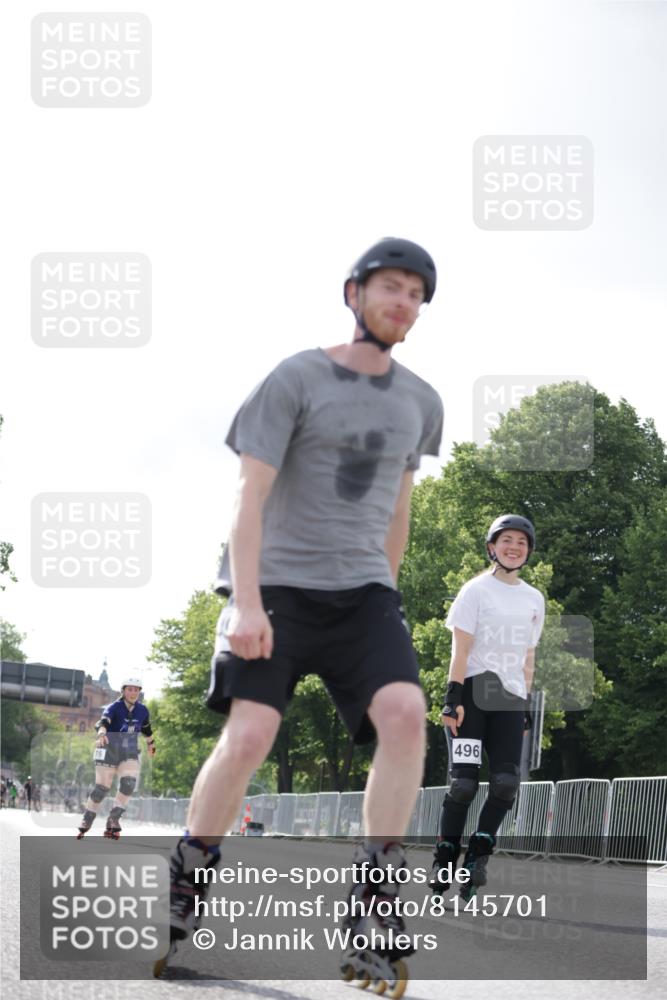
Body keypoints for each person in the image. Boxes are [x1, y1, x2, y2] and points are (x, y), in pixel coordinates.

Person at [161, 238, 443, 983]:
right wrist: (246, 602)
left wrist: (384, 594)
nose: (402, 302)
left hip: (363, 599)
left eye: (416, 293)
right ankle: (193, 866)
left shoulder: (421, 402)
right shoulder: (295, 377)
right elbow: (247, 496)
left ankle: (373, 899)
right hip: (276, 589)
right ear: (353, 293)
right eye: (390, 287)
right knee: (250, 734)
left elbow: (399, 511)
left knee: (406, 713)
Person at [429, 514, 545, 899]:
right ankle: (445, 856)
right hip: (473, 695)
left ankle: (478, 855)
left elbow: (528, 656)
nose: (514, 547)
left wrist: (525, 703)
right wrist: (452, 697)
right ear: (492, 547)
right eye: (506, 540)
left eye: (521, 542)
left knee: (507, 783)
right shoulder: (475, 590)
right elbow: (460, 650)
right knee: (463, 784)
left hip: (510, 699)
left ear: (528, 551)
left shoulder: (533, 598)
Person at [76, 676, 156, 839]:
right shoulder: (114, 707)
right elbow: (103, 722)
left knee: (128, 784)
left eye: (136, 689)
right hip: (108, 748)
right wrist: (101, 734)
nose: (133, 692)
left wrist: (151, 744)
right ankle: (87, 819)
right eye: (129, 689)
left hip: (129, 750)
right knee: (101, 789)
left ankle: (113, 819)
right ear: (123, 691)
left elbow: (146, 729)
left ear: (139, 692)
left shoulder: (143, 710)